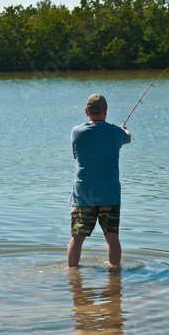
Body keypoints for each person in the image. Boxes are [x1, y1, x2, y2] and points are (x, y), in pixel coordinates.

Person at [67, 94, 131, 267]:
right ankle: (115, 276)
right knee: (112, 239)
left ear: (87, 111)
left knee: (76, 239)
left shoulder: (76, 132)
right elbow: (128, 137)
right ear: (106, 111)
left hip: (83, 195)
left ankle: (72, 277)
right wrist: (123, 129)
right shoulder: (116, 132)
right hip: (109, 194)